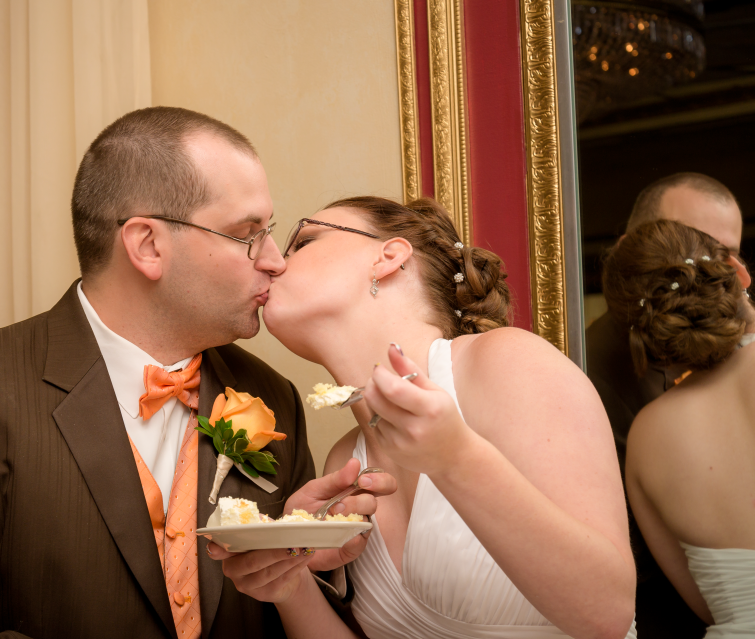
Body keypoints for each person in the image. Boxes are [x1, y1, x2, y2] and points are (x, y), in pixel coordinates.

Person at [0, 107, 394, 639]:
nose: (274, 258)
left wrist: (296, 561)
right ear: (147, 245)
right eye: (247, 234)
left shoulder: (272, 396)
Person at [209, 196, 637, 638]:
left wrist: (455, 459)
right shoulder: (344, 462)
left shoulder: (507, 364)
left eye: (304, 241)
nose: (275, 262)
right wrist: (289, 580)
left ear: (388, 257)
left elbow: (607, 615)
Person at [586, 172, 744, 637]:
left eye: (727, 254)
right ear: (633, 250)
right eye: (695, 244)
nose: (714, 269)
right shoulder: (593, 371)